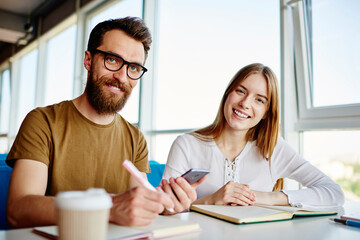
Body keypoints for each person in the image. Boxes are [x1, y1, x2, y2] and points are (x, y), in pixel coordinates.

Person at [6, 17, 201, 228]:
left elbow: (136, 211)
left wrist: (164, 206)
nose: (122, 77)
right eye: (112, 60)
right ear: (88, 60)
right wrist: (108, 206)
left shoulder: (136, 139)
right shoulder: (43, 122)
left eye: (134, 68)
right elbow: (19, 209)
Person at [163, 63, 345, 207]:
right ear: (228, 94)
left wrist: (266, 197)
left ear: (266, 112)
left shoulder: (273, 149)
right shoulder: (186, 145)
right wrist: (211, 201)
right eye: (240, 91)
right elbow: (165, 209)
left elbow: (333, 193)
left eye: (259, 100)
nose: (245, 103)